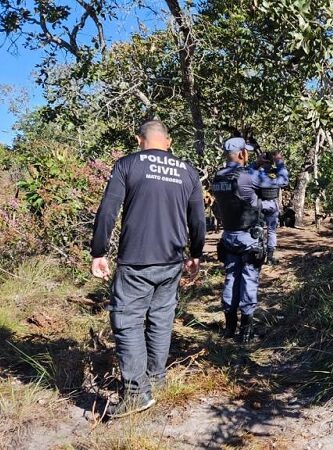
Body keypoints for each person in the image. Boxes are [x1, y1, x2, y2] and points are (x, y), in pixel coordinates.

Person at [90, 120, 206, 418]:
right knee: (161, 319)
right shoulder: (187, 170)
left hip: (136, 260)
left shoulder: (128, 165)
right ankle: (156, 379)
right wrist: (195, 254)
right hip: (171, 260)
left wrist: (99, 251)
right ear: (168, 142)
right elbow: (198, 218)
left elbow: (108, 210)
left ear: (140, 140)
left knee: (127, 321)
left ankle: (136, 394)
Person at [212, 137, 288, 342]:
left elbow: (240, 180)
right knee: (249, 280)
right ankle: (246, 332)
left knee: (231, 279)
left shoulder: (218, 176)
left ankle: (229, 329)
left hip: (228, 236)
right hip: (249, 238)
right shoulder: (249, 176)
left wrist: (256, 165)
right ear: (242, 154)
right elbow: (282, 181)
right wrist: (279, 162)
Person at [254, 150, 289, 264]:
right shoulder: (275, 175)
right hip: (272, 205)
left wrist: (256, 163)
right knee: (272, 231)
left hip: (259, 204)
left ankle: (258, 254)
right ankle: (270, 257)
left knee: (258, 229)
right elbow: (285, 180)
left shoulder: (257, 175)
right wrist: (279, 161)